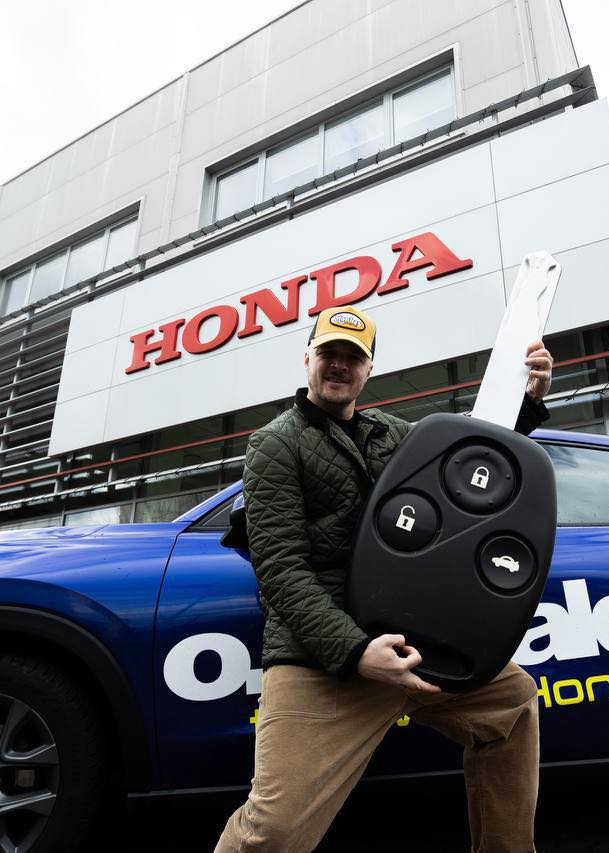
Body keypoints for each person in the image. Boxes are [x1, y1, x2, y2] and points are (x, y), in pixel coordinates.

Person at [216, 305, 554, 853]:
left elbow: (473, 461)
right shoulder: (275, 443)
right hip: (324, 660)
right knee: (273, 832)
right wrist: (355, 652)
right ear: (307, 359)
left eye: (352, 358)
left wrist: (527, 399)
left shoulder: (393, 434)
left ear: (368, 369)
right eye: (329, 354)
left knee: (512, 703)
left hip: (412, 645)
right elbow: (280, 570)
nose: (339, 366)